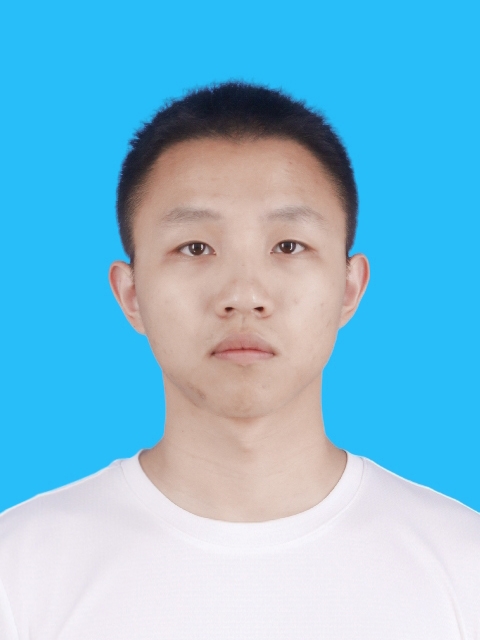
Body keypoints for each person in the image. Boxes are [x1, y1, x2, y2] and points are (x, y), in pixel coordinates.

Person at [0, 81, 479, 640]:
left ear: (350, 287)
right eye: (195, 248)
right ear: (131, 295)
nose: (245, 295)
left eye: (288, 246)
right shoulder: (21, 569)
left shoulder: (462, 563)